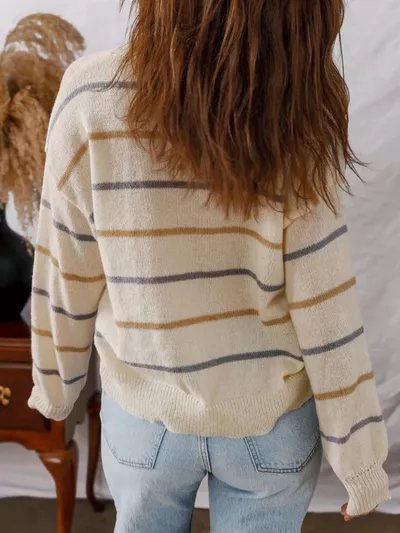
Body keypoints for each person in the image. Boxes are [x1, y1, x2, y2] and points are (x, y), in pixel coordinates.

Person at [29, 1, 390, 531]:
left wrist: (55, 385)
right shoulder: (296, 108)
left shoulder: (90, 97)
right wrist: (359, 457)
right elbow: (324, 299)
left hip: (145, 418)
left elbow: (66, 266)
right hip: (269, 423)